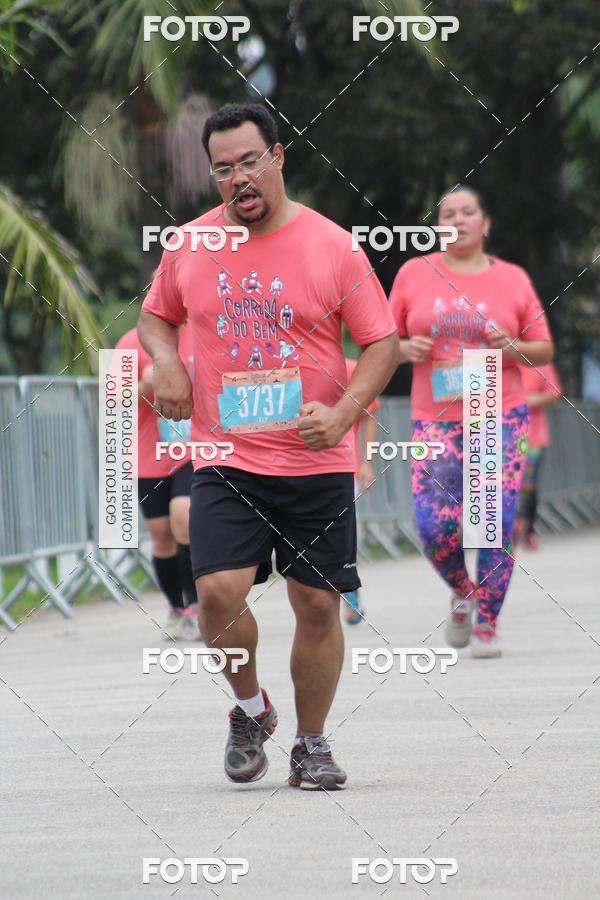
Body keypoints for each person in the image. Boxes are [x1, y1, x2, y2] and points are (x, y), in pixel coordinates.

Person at [137, 103, 399, 790]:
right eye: (223, 168)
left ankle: (311, 744)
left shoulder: (333, 246)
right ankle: (249, 709)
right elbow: (156, 318)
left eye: (249, 161)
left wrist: (345, 413)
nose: (238, 178)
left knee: (316, 605)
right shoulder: (189, 244)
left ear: (278, 156)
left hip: (315, 459)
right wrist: (165, 363)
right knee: (218, 593)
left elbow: (383, 342)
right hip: (227, 456)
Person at [389, 185, 553, 658]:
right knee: (434, 528)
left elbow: (542, 348)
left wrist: (511, 346)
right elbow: (382, 338)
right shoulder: (413, 274)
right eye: (447, 214)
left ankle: (487, 624)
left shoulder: (513, 279)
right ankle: (463, 591)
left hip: (497, 411)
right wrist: (403, 350)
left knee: (493, 523)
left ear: (486, 222)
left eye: (467, 212)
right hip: (434, 418)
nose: (457, 220)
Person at [115, 325, 200, 641]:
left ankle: (195, 607)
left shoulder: (201, 331)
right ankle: (175, 608)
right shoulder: (129, 341)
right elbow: (114, 400)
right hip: (147, 452)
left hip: (191, 449)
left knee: (185, 517)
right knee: (161, 535)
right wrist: (144, 385)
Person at [343, 356, 380, 625]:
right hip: (296, 467)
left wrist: (366, 461)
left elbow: (370, 415)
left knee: (342, 532)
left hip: (343, 465)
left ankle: (350, 594)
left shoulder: (352, 369)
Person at [515, 363, 562, 549]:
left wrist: (531, 399)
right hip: (499, 436)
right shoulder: (492, 356)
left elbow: (554, 392)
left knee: (527, 484)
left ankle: (527, 529)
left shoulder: (538, 360)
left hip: (532, 436)